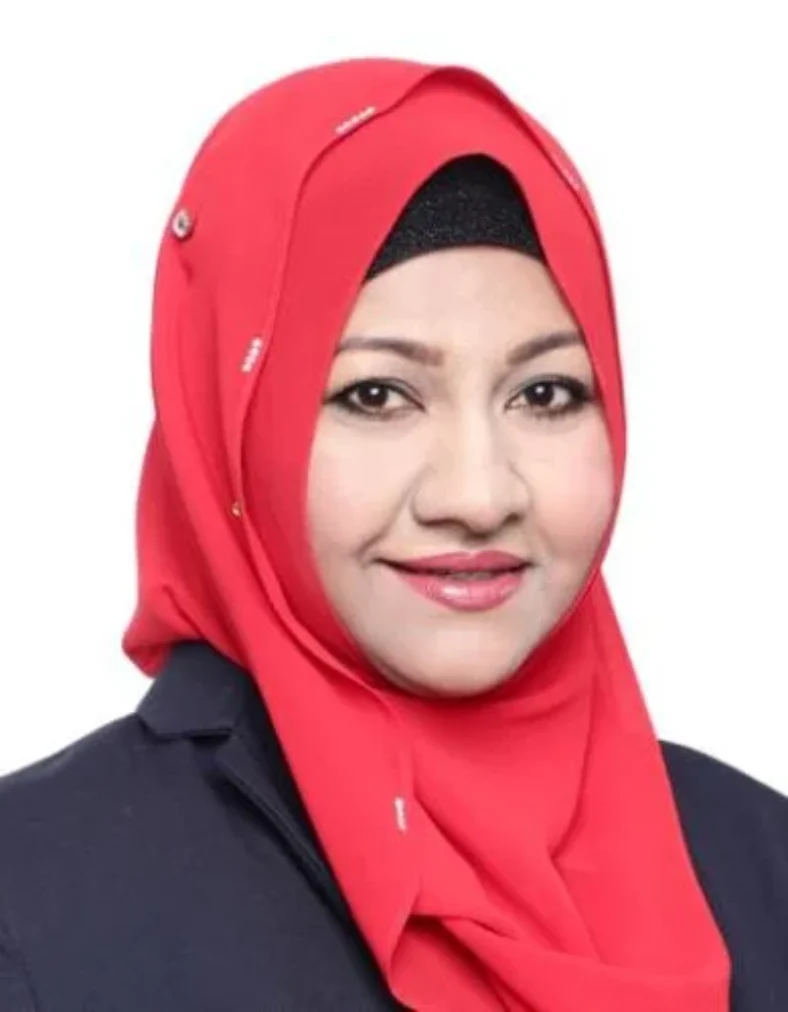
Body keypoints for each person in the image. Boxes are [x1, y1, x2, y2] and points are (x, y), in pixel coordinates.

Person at [0, 56, 786, 1012]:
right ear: (229, 431)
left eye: (545, 393)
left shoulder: (760, 868)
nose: (478, 494)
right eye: (375, 395)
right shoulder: (36, 909)